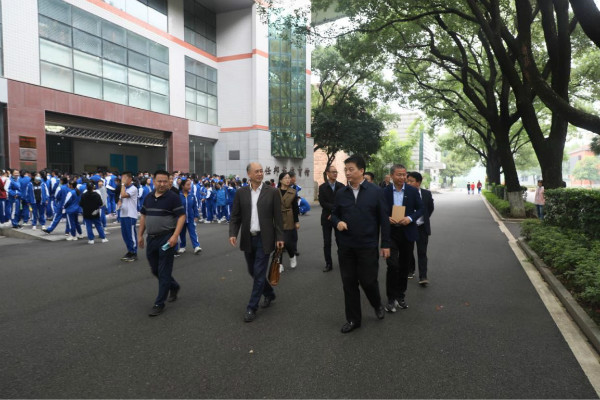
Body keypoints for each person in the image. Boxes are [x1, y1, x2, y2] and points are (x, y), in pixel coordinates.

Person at [331, 155, 391, 333]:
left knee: (368, 281)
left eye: (351, 169)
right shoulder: (341, 193)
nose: (347, 173)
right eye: (346, 170)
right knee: (349, 283)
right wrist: (337, 222)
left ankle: (377, 303)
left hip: (367, 245)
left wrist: (385, 244)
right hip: (346, 246)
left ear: (362, 171)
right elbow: (333, 214)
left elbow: (384, 220)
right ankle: (353, 319)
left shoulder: (376, 192)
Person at [229, 162, 284, 323]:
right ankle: (269, 293)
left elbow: (278, 217)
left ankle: (251, 307)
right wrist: (233, 233)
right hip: (248, 238)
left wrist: (280, 237)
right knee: (252, 271)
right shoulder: (241, 192)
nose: (260, 174)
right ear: (249, 174)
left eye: (261, 171)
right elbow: (235, 216)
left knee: (259, 272)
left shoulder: (272, 192)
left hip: (264, 238)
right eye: (257, 171)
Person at [138, 170, 186, 317]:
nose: (162, 184)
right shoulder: (148, 197)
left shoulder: (173, 197)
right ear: (154, 181)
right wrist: (140, 235)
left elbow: (181, 216)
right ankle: (174, 286)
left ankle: (159, 303)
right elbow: (143, 216)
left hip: (166, 238)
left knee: (164, 271)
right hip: (151, 238)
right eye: (159, 181)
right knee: (155, 270)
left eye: (165, 181)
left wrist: (175, 236)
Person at [383, 164, 424, 312]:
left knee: (404, 266)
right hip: (391, 233)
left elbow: (421, 208)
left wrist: (410, 218)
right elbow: (378, 210)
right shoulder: (385, 191)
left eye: (404, 174)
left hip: (407, 231)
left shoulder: (412, 191)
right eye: (399, 174)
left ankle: (400, 296)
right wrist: (386, 218)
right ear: (392, 176)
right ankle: (390, 298)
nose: (402, 177)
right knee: (392, 265)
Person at [406, 172, 434, 286]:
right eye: (408, 181)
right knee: (408, 250)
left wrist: (423, 218)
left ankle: (423, 276)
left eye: (411, 181)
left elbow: (430, 208)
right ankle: (410, 269)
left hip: (422, 227)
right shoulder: (405, 193)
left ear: (418, 182)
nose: (408, 183)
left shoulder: (426, 194)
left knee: (422, 252)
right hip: (409, 226)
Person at [318, 165, 345, 272]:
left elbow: (343, 202)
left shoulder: (341, 186)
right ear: (327, 173)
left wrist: (334, 213)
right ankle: (328, 264)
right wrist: (334, 210)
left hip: (338, 219)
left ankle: (343, 262)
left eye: (336, 172)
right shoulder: (322, 187)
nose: (335, 173)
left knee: (340, 241)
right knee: (327, 242)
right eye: (333, 172)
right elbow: (322, 202)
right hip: (326, 218)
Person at [277, 172, 299, 271]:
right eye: (285, 178)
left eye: (289, 178)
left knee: (288, 242)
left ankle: (292, 256)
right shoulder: (275, 191)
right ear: (280, 180)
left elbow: (295, 208)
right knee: (279, 242)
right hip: (277, 218)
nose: (288, 180)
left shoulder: (293, 192)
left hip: (289, 217)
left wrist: (296, 221)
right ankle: (280, 264)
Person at [177, 178, 202, 255]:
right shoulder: (178, 195)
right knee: (181, 233)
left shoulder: (192, 195)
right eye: (187, 185)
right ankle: (182, 247)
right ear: (182, 186)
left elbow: (195, 206)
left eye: (190, 185)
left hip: (191, 218)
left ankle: (196, 246)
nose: (189, 186)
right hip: (181, 218)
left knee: (193, 232)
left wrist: (196, 215)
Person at [119, 171, 139, 262]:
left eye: (125, 178)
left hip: (130, 215)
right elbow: (120, 199)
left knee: (131, 234)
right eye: (122, 178)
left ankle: (134, 252)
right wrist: (119, 204)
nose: (122, 180)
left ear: (130, 179)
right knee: (125, 235)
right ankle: (129, 251)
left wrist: (122, 184)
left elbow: (123, 195)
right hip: (123, 214)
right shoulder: (123, 188)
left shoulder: (133, 188)